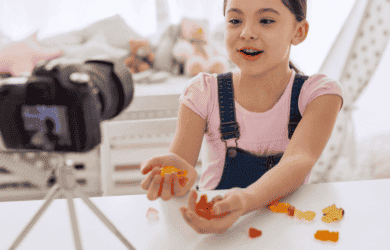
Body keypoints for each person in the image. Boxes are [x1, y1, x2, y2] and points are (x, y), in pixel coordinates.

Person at [140, 0, 344, 234]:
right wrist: (177, 180)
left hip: (286, 232)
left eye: (266, 20)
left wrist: (245, 200)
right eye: (235, 20)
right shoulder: (203, 91)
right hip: (216, 232)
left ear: (299, 32)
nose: (247, 33)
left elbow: (298, 160)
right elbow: (181, 168)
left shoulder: (319, 94)